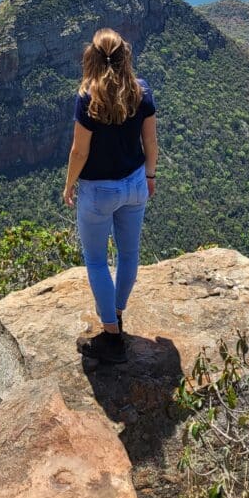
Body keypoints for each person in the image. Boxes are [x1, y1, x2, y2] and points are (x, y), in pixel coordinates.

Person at [62, 27, 158, 363]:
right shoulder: (141, 91)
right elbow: (151, 144)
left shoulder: (88, 98)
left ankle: (111, 333)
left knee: (97, 260)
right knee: (129, 254)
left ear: (92, 55)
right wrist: (149, 176)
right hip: (134, 185)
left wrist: (69, 184)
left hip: (99, 190)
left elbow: (79, 152)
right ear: (124, 55)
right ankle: (117, 311)